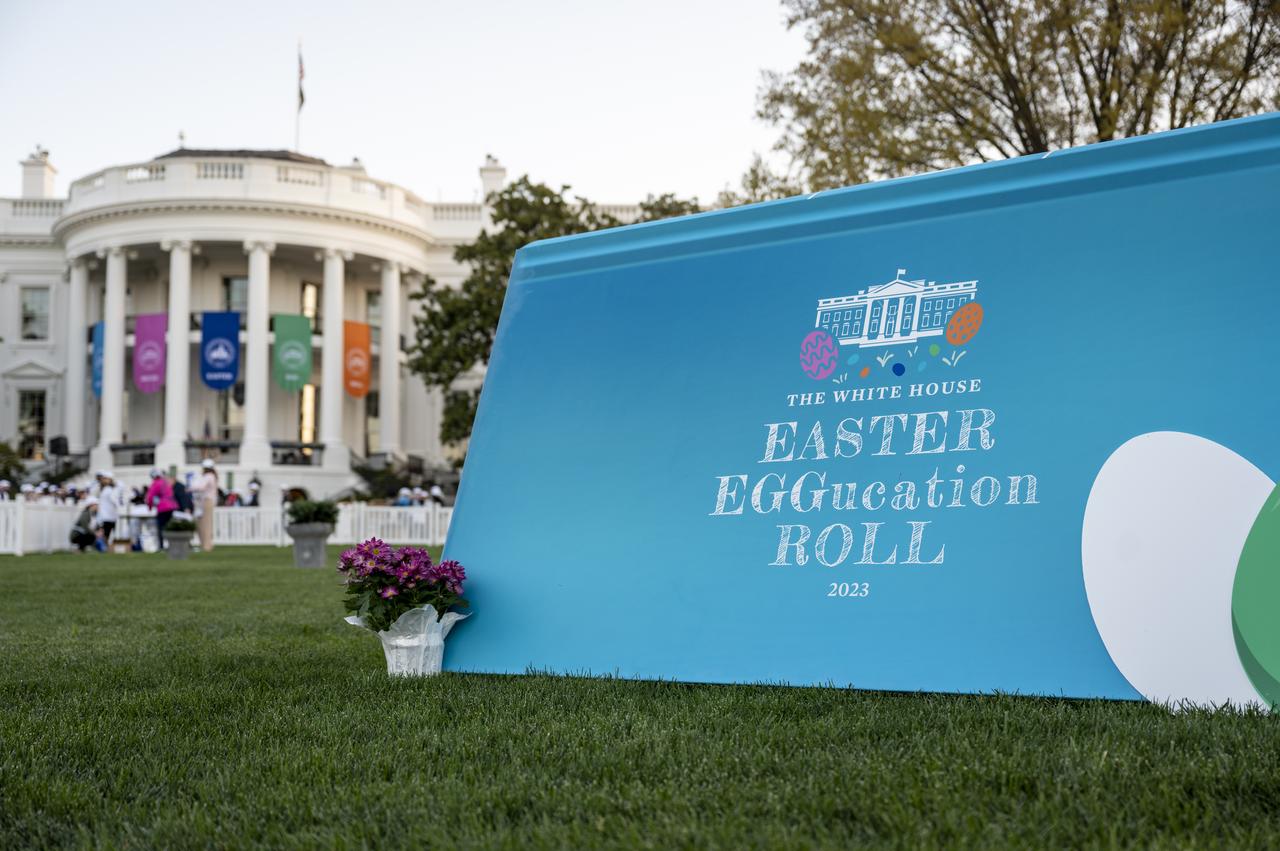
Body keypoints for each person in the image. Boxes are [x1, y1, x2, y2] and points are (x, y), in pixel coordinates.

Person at [145, 469, 179, 551]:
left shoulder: (155, 483)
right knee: (170, 527)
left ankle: (161, 546)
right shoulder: (165, 482)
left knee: (161, 527)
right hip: (172, 507)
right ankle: (172, 545)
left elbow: (150, 497)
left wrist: (149, 507)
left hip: (163, 508)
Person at [192, 459, 218, 552]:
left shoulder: (209, 476)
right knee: (202, 523)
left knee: (206, 524)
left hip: (207, 501)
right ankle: (204, 544)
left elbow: (201, 487)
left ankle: (207, 546)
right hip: (204, 501)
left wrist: (190, 487)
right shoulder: (210, 476)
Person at [96, 470, 122, 549]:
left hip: (110, 516)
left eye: (105, 478)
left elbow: (116, 502)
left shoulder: (111, 490)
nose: (103, 480)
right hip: (105, 516)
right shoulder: (105, 489)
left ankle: (109, 548)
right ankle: (106, 548)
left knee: (109, 534)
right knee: (106, 534)